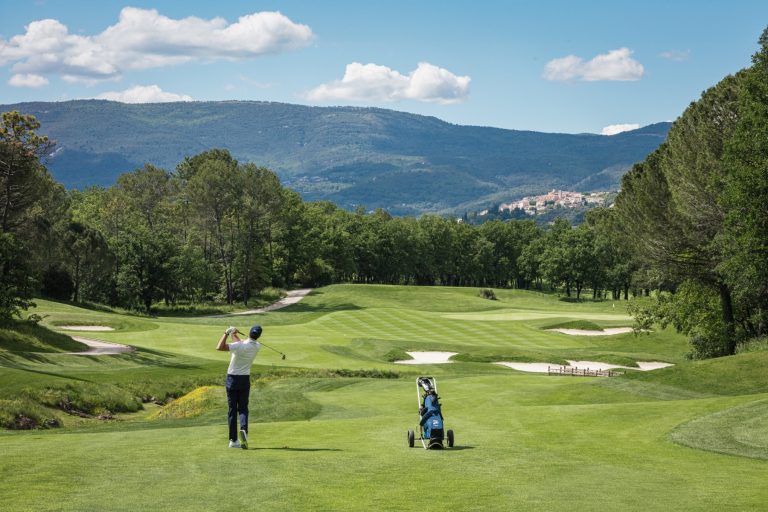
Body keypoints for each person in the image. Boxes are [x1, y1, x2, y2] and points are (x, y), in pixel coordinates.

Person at [217, 325, 262, 449]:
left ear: (249, 332)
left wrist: (226, 333)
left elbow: (219, 347)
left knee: (232, 410)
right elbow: (241, 344)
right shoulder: (257, 346)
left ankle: (233, 440)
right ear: (258, 336)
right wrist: (234, 334)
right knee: (243, 409)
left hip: (232, 379)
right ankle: (243, 431)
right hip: (244, 380)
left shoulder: (239, 346)